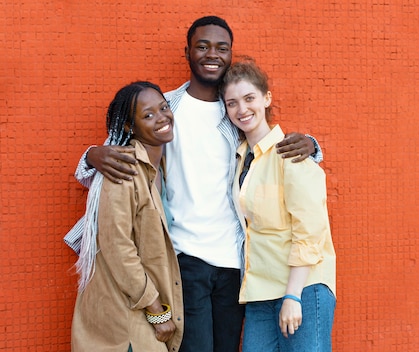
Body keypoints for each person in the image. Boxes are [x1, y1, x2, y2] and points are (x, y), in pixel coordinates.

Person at [66, 16, 322, 352]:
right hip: (185, 257)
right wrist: (92, 155)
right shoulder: (165, 107)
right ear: (187, 52)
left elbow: (271, 150)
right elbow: (121, 154)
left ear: (231, 55)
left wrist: (313, 147)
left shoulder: (235, 112)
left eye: (221, 48)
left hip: (234, 262)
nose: (211, 54)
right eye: (202, 46)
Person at [222, 59, 336, 352]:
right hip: (259, 292)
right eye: (232, 103)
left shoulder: (291, 153)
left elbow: (310, 230)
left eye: (249, 98)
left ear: (266, 98)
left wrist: (293, 295)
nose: (242, 109)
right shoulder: (240, 159)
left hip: (303, 289)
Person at [71, 81, 183, 352]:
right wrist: (157, 310)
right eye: (148, 115)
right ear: (128, 127)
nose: (161, 117)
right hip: (127, 317)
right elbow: (118, 247)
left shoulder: (163, 167)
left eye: (164, 107)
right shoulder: (124, 170)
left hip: (144, 308)